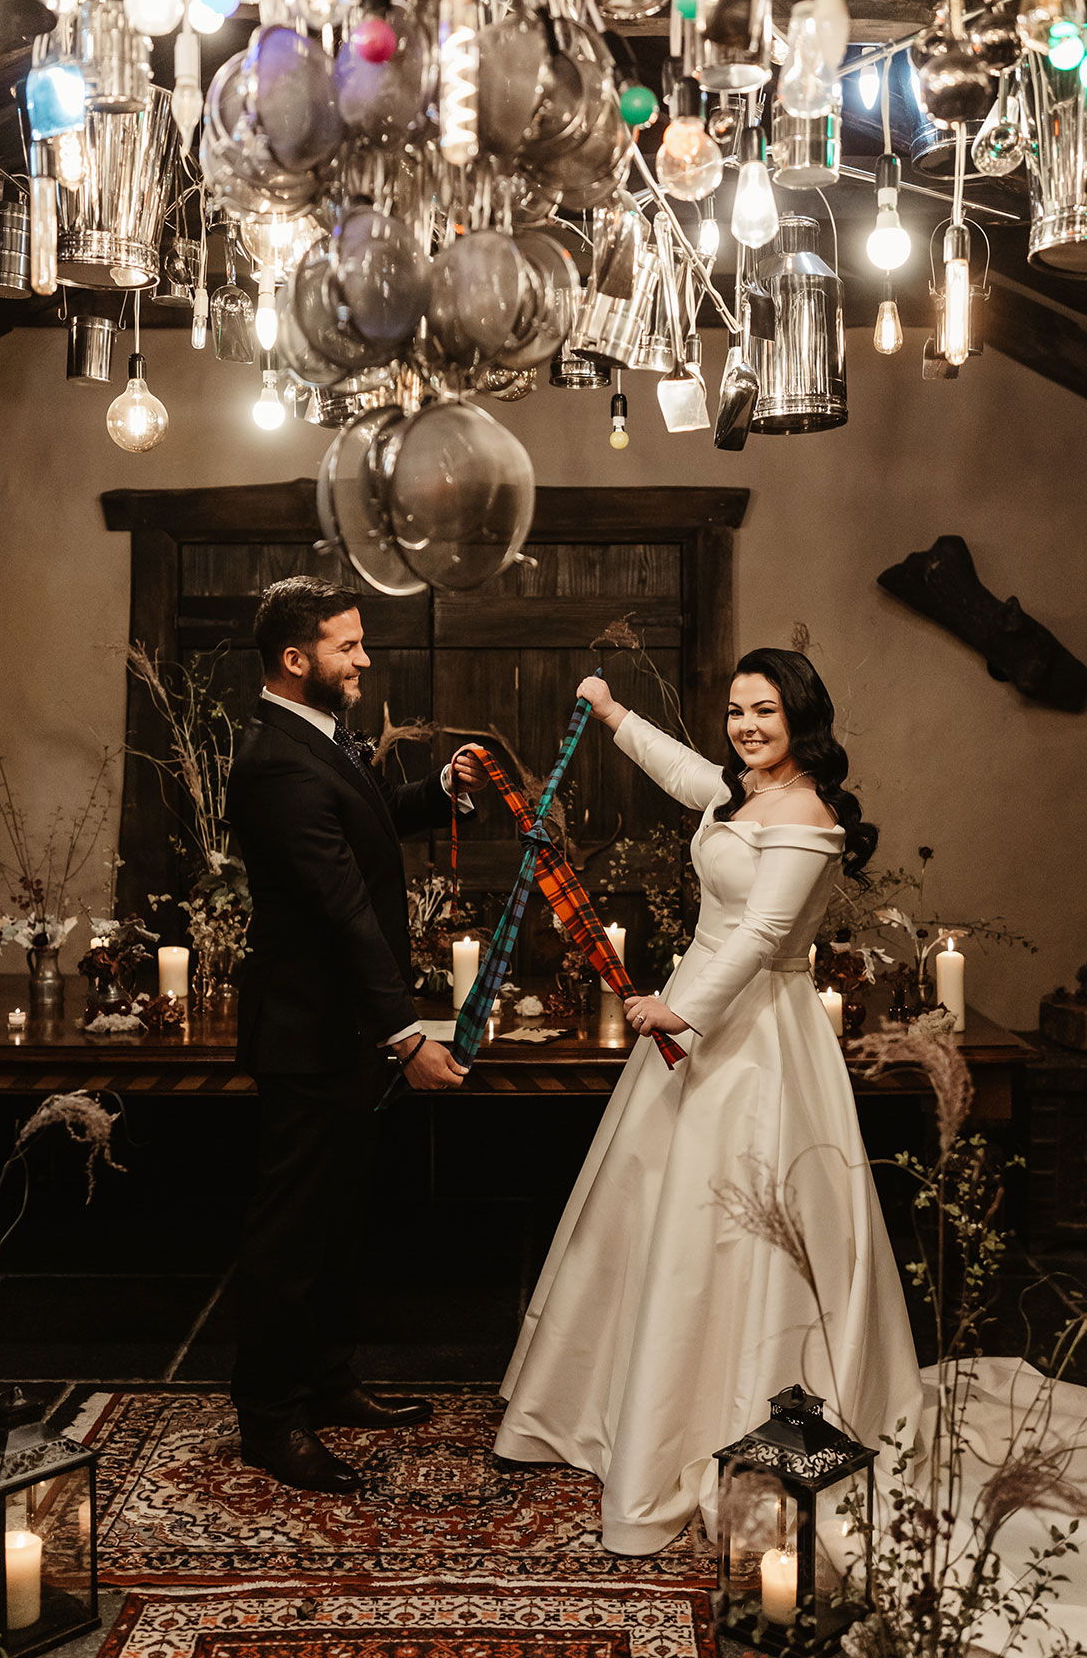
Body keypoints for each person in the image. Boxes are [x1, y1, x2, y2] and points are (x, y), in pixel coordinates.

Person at [494, 649, 923, 1553]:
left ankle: (739, 1421)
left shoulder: (807, 813)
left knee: (734, 1216)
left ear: (801, 717)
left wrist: (681, 1010)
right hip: (704, 1013)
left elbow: (765, 931)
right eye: (734, 711)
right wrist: (612, 715)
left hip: (759, 1031)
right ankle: (626, 1409)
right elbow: (687, 772)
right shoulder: (742, 793)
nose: (745, 727)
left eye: (763, 711)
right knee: (655, 1205)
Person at [226, 576, 487, 1495]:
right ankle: (269, 1419)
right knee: (290, 1238)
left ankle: (327, 1383)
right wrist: (408, 1036)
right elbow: (341, 910)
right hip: (308, 1034)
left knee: (337, 1226)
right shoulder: (272, 761)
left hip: (340, 1033)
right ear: (297, 660)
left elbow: (364, 822)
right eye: (348, 646)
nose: (365, 659)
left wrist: (435, 792)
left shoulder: (315, 738)